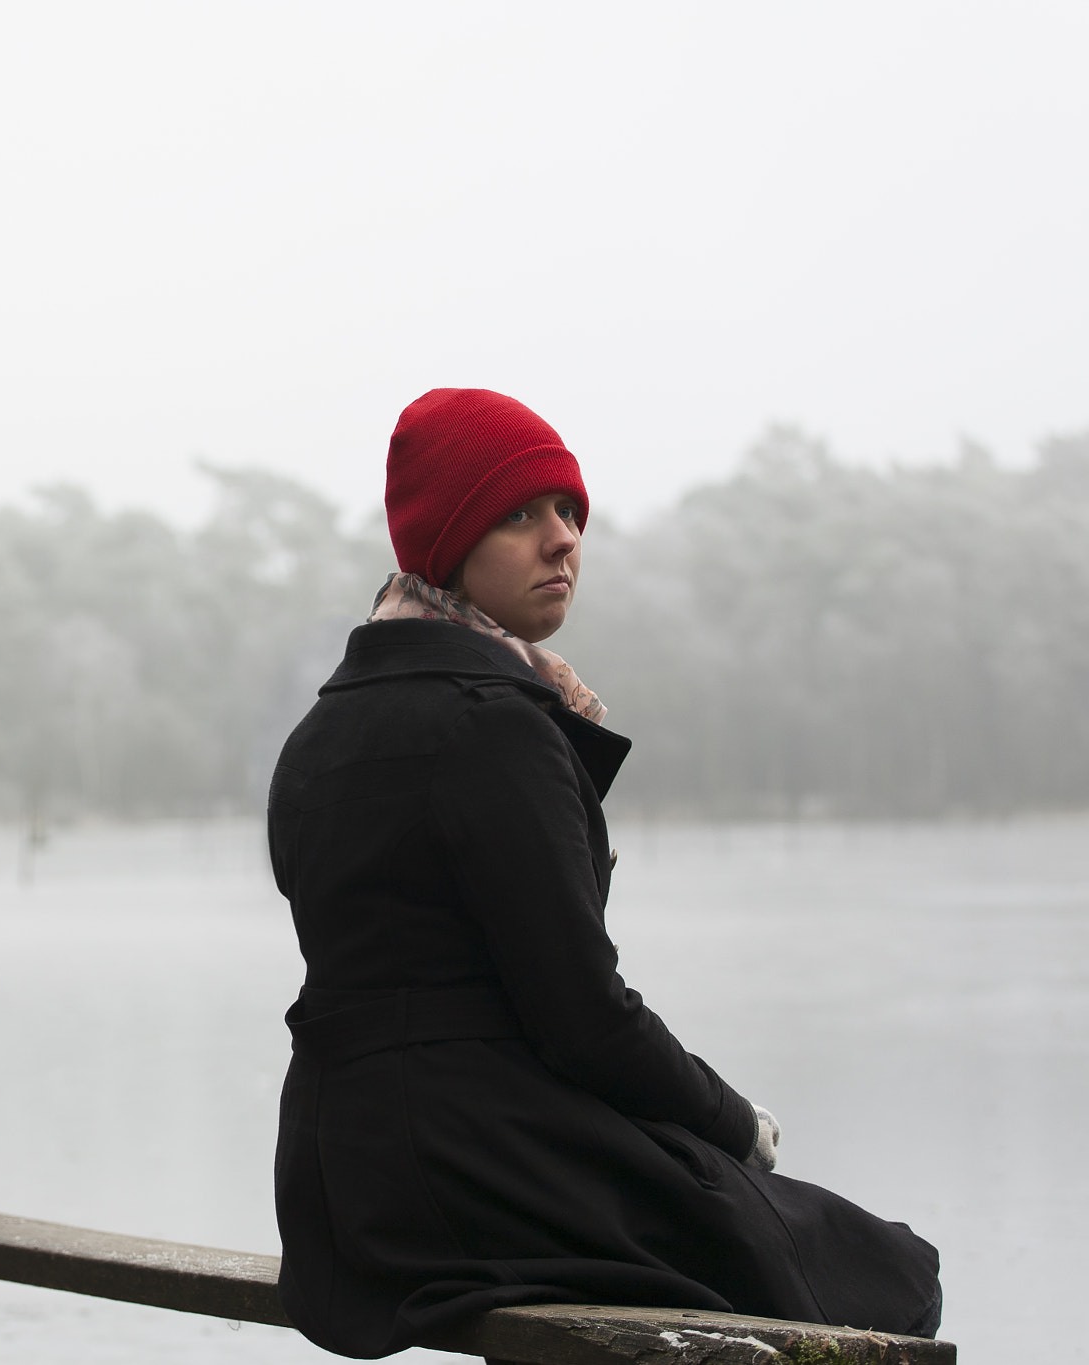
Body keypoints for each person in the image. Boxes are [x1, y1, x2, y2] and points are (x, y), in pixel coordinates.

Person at [268, 389, 942, 1357]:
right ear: (444, 539)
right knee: (889, 1274)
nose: (561, 541)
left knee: (795, 1245)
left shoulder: (324, 729)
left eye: (568, 511)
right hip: (475, 1161)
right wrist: (733, 1125)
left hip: (339, 1180)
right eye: (517, 514)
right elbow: (579, 1014)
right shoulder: (491, 725)